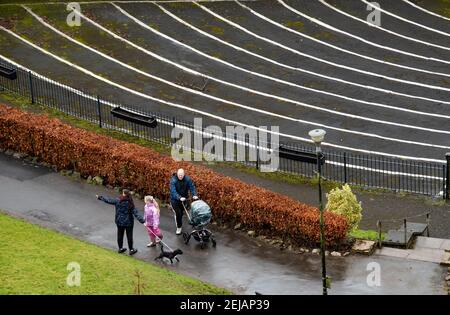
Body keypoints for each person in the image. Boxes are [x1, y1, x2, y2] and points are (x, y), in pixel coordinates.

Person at [96, 189, 144, 255]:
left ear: (124, 194)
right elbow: (136, 213)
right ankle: (131, 249)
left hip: (119, 221)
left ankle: (120, 248)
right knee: (129, 236)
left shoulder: (118, 200)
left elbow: (108, 200)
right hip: (129, 222)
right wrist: (142, 221)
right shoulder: (130, 202)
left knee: (120, 235)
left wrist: (100, 197)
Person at [170, 168, 198, 235]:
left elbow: (192, 187)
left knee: (182, 213)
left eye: (182, 175)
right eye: (179, 175)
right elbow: (173, 191)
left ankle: (179, 219)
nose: (180, 176)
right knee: (178, 213)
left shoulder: (187, 179)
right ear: (177, 174)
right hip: (175, 200)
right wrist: (179, 197)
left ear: (184, 174)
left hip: (184, 198)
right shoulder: (173, 180)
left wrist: (194, 195)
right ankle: (179, 227)